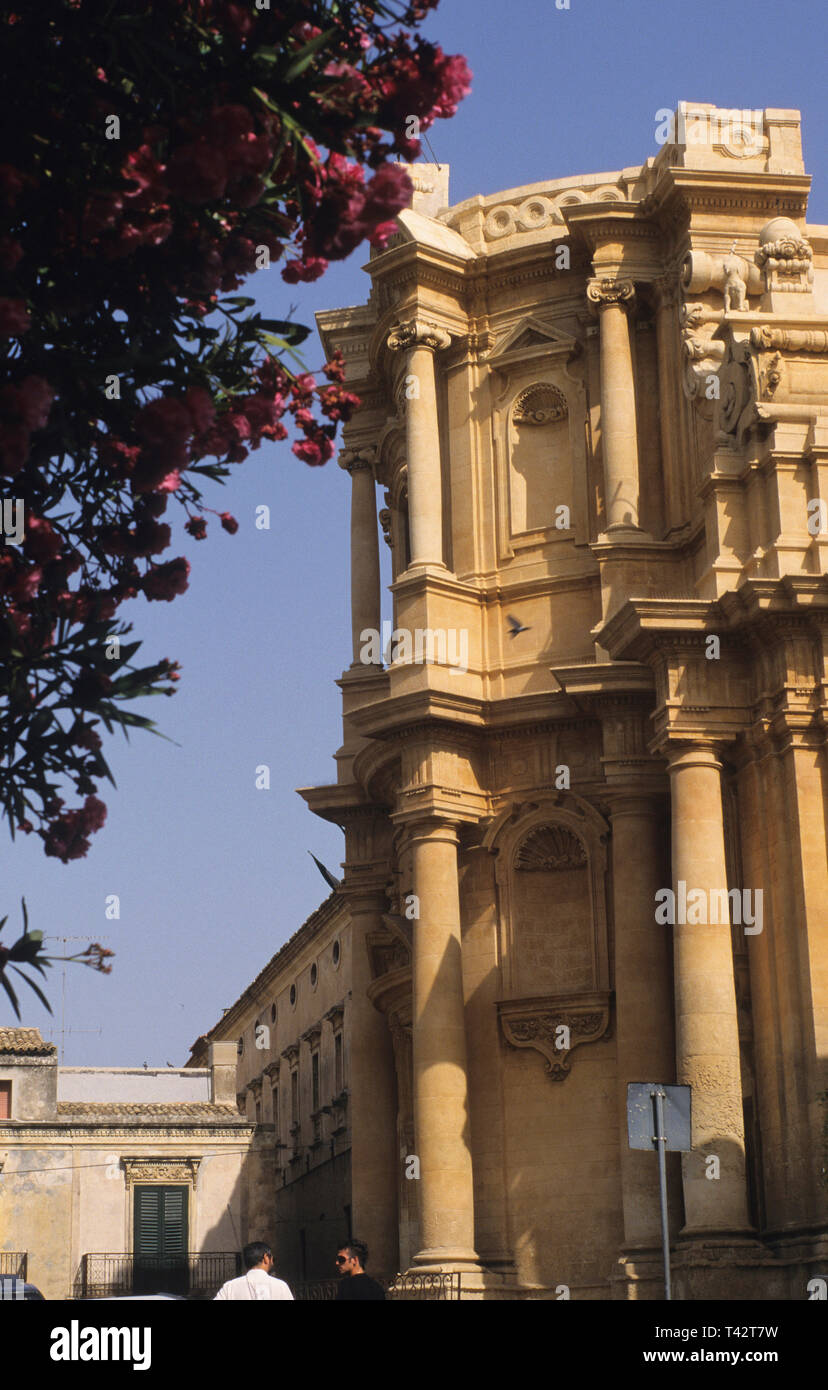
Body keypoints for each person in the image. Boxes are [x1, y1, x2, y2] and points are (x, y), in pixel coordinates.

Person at [214, 1241, 293, 1300]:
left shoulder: (230, 1287)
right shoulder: (280, 1286)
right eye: (272, 1258)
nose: (272, 1262)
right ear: (266, 1258)